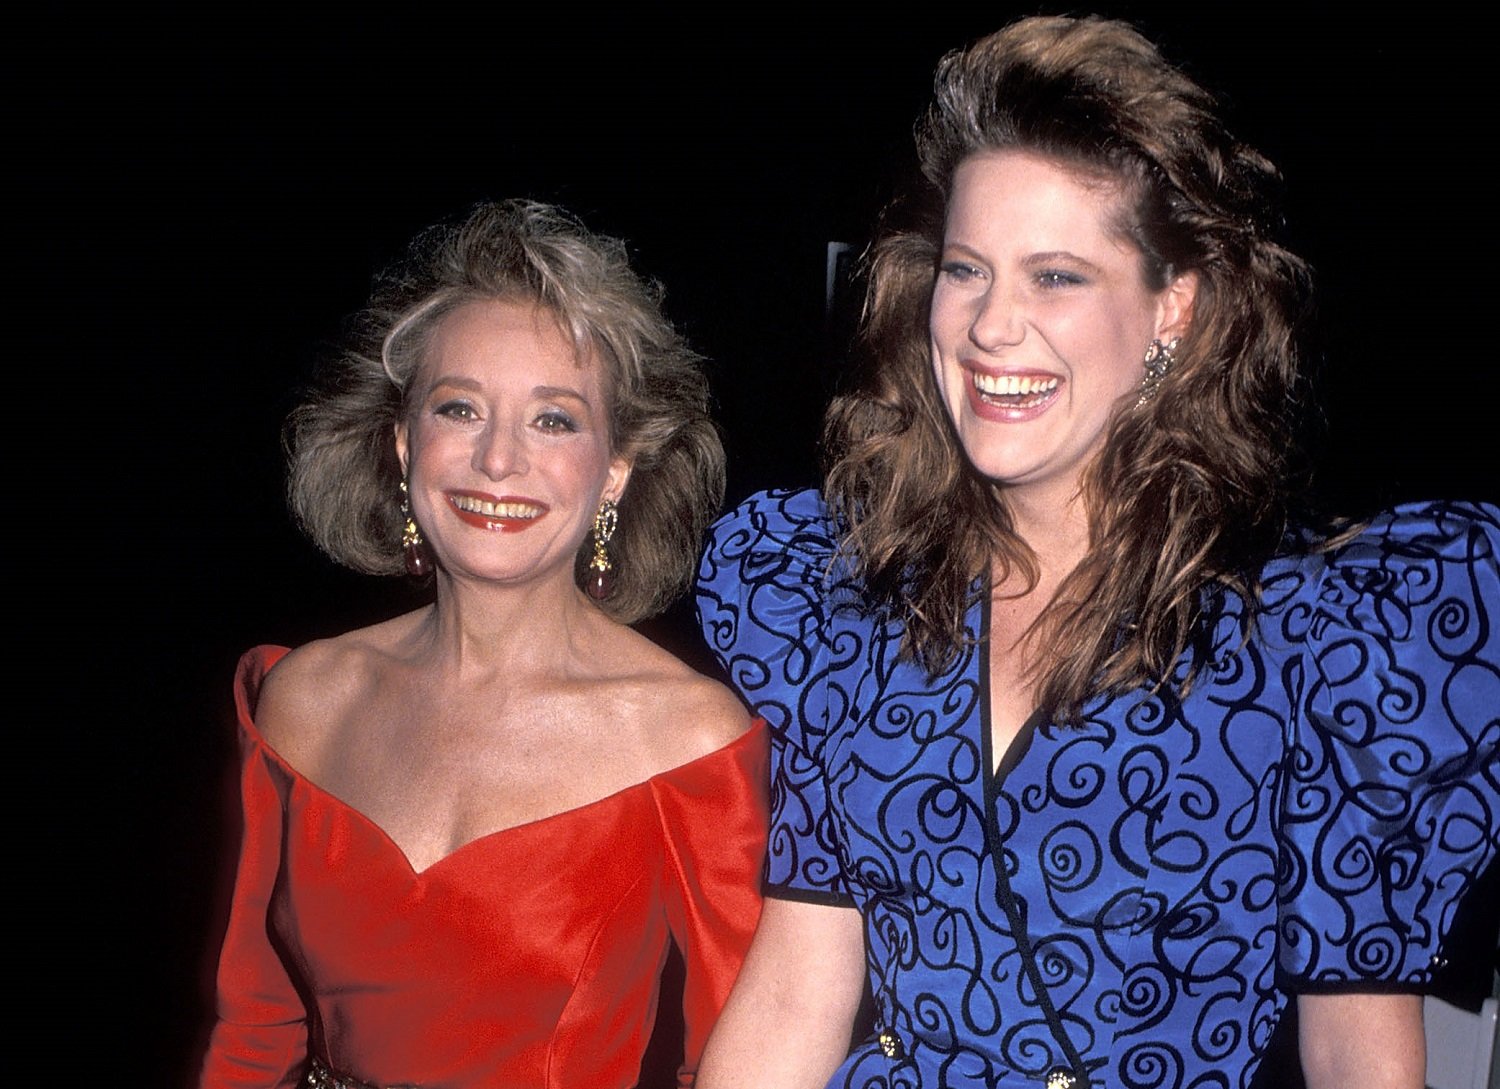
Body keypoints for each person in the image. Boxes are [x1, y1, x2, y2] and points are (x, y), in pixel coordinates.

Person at [694, 16, 1498, 1089]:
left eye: (1056, 278)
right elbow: (798, 992)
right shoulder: (854, 607)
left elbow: (1359, 1055)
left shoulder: (1311, 640)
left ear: (1174, 309)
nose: (989, 327)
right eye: (967, 270)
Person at [201, 200, 767, 1088]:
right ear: (401, 442)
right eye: (459, 408)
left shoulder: (690, 742)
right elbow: (254, 1030)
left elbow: (745, 1063)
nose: (498, 460)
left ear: (615, 467)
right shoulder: (304, 699)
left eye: (554, 420)